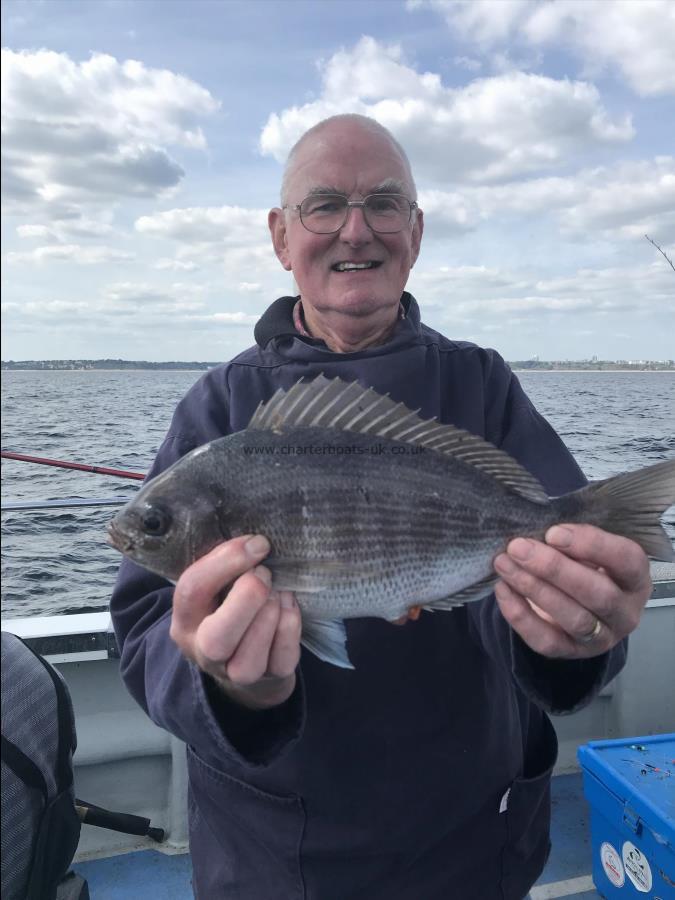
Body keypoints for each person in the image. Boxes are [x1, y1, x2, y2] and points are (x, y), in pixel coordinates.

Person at [110, 114, 652, 900]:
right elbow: (141, 635)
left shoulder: (482, 385)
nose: (354, 230)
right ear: (280, 235)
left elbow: (571, 595)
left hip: (474, 840)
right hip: (273, 858)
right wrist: (227, 685)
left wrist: (574, 634)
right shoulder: (219, 405)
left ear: (417, 231)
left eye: (385, 204)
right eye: (323, 204)